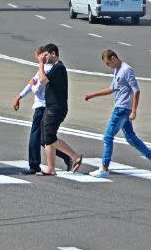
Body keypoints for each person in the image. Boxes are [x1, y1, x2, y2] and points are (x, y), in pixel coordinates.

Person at [86, 50, 151, 178]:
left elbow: (136, 90)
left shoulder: (127, 70)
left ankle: (104, 168)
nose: (108, 66)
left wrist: (134, 111)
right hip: (122, 108)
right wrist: (93, 94)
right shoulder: (117, 70)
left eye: (108, 63)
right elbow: (111, 89)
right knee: (131, 138)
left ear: (114, 58)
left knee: (108, 137)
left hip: (122, 109)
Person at [12, 46, 72, 174]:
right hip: (43, 106)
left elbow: (37, 87)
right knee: (44, 139)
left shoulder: (47, 69)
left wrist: (32, 86)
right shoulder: (44, 68)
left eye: (40, 56)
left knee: (36, 137)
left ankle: (34, 166)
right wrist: (20, 96)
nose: (40, 59)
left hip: (43, 107)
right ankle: (66, 156)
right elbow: (31, 82)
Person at [36, 44, 82, 175]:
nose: (44, 57)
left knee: (49, 137)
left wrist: (41, 64)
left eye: (46, 55)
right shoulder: (56, 68)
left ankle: (75, 156)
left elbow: (43, 80)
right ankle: (51, 168)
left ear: (53, 54)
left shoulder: (59, 68)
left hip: (56, 108)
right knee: (45, 138)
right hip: (51, 107)